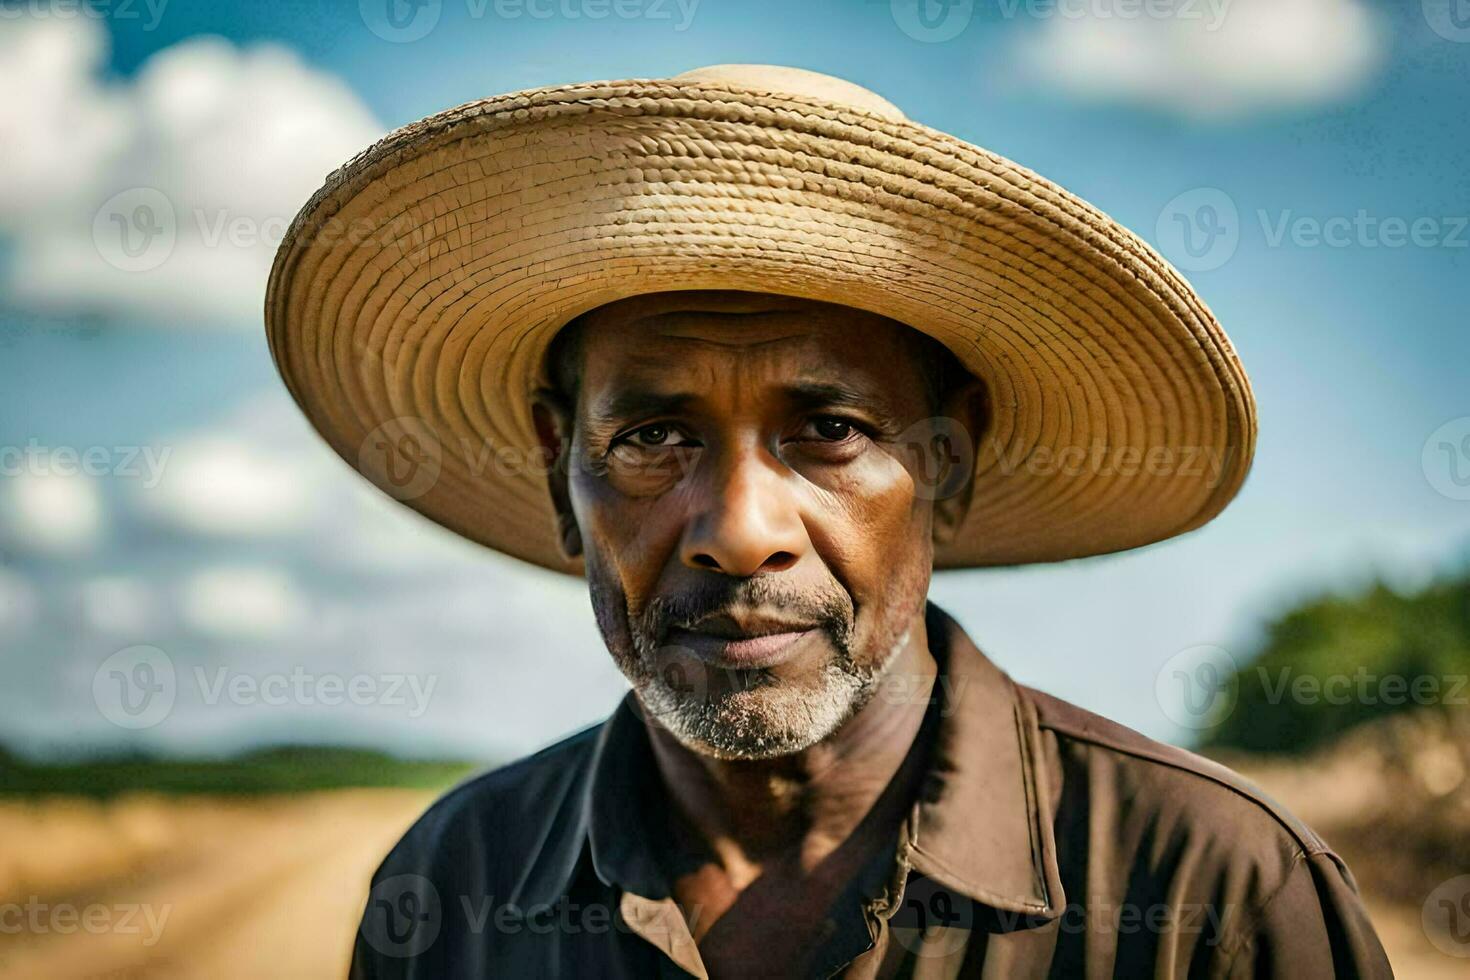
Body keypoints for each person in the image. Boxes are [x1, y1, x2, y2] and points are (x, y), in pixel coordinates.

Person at [265, 65, 1391, 978]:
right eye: (654, 437)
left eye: (832, 429)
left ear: (946, 466)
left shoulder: (1214, 896)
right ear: (559, 471)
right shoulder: (455, 887)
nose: (740, 531)